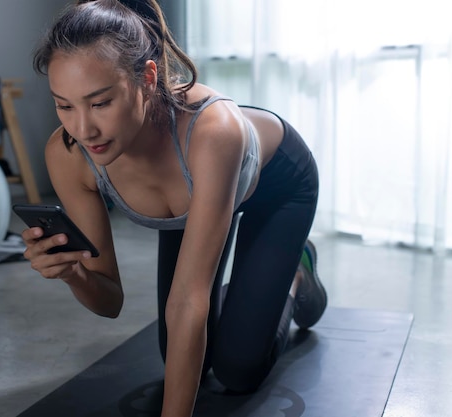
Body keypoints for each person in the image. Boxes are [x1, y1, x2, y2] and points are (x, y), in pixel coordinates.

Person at [24, 0, 327, 415]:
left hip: (278, 185)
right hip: (191, 199)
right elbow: (109, 302)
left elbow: (188, 298)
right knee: (181, 357)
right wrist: (73, 273)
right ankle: (253, 292)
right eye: (64, 105)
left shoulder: (213, 131)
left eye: (100, 103)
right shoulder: (69, 153)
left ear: (148, 78)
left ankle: (295, 274)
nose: (83, 128)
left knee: (238, 370)